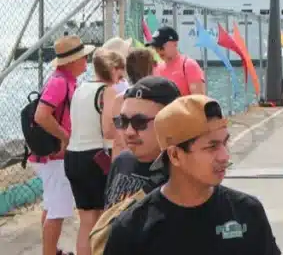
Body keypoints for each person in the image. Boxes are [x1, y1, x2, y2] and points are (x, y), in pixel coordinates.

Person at [103, 95, 280, 254]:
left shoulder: (247, 212)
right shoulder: (132, 229)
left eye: (225, 143)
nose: (224, 156)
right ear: (175, 155)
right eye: (212, 146)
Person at [31, 35, 95, 255]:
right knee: (57, 211)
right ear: (72, 61)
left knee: (51, 207)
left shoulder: (64, 80)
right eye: (83, 57)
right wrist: (65, 137)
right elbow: (41, 115)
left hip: (50, 157)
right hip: (54, 158)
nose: (86, 61)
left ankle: (51, 250)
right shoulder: (60, 82)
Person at [64, 49, 124, 255]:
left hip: (73, 156)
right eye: (120, 73)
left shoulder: (81, 88)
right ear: (113, 69)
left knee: (86, 221)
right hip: (94, 158)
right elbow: (108, 130)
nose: (121, 79)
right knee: (101, 220)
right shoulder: (107, 91)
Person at [103, 76, 181, 208]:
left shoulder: (185, 177)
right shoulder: (122, 161)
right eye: (123, 121)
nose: (129, 131)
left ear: (169, 122)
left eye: (140, 122)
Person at [148, 26, 206, 96]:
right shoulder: (156, 69)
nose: (158, 51)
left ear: (175, 43)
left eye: (161, 47)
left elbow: (198, 100)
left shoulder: (189, 66)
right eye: (155, 47)